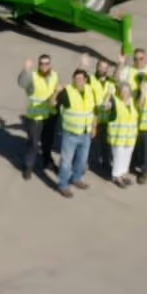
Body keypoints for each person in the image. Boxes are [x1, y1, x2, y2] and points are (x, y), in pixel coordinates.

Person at [55, 67, 98, 198]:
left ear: (85, 80)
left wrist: (94, 126)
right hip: (70, 134)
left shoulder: (90, 90)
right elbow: (52, 103)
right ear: (73, 79)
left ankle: (77, 179)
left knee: (82, 160)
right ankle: (63, 185)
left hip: (86, 133)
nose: (78, 80)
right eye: (76, 78)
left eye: (80, 78)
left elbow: (94, 110)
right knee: (66, 161)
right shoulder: (67, 92)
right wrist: (55, 92)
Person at [19, 55, 60, 182]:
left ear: (50, 64)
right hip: (36, 115)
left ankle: (47, 161)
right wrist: (25, 70)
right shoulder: (32, 76)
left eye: (46, 63)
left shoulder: (54, 75)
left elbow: (55, 90)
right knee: (33, 143)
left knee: (47, 142)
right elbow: (22, 83)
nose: (44, 65)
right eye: (42, 63)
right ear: (38, 64)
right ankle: (28, 166)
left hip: (50, 114)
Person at [103, 82, 140, 188]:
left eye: (127, 92)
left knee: (127, 156)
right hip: (118, 136)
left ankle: (123, 174)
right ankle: (116, 177)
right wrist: (108, 95)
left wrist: (136, 131)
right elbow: (105, 107)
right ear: (119, 92)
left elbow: (134, 117)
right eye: (123, 92)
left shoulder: (132, 102)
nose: (125, 94)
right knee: (118, 157)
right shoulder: (114, 101)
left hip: (130, 136)